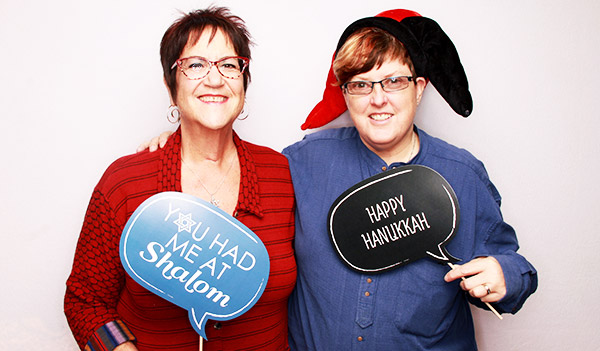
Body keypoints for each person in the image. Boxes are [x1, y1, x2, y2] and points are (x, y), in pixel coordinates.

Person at [141, 9, 538, 350]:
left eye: (394, 82)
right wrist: (179, 144)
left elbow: (515, 266)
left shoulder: (462, 175)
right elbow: (233, 175)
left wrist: (506, 275)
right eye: (361, 84)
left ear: (419, 89)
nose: (377, 99)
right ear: (345, 94)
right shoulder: (301, 163)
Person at [64, 7, 296, 351]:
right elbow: (85, 302)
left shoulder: (282, 173)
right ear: (171, 84)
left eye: (229, 65)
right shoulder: (125, 182)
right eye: (196, 65)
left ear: (245, 81)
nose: (215, 79)